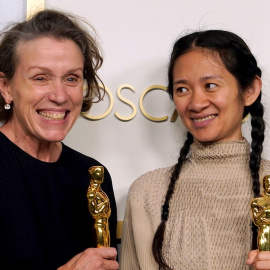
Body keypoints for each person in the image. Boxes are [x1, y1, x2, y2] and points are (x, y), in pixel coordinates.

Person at [120, 29, 270, 270]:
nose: (197, 103)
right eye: (182, 89)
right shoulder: (146, 193)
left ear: (250, 90)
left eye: (210, 85)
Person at [0, 9, 119, 270]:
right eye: (41, 78)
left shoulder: (92, 176)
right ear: (6, 87)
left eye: (71, 78)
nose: (59, 95)